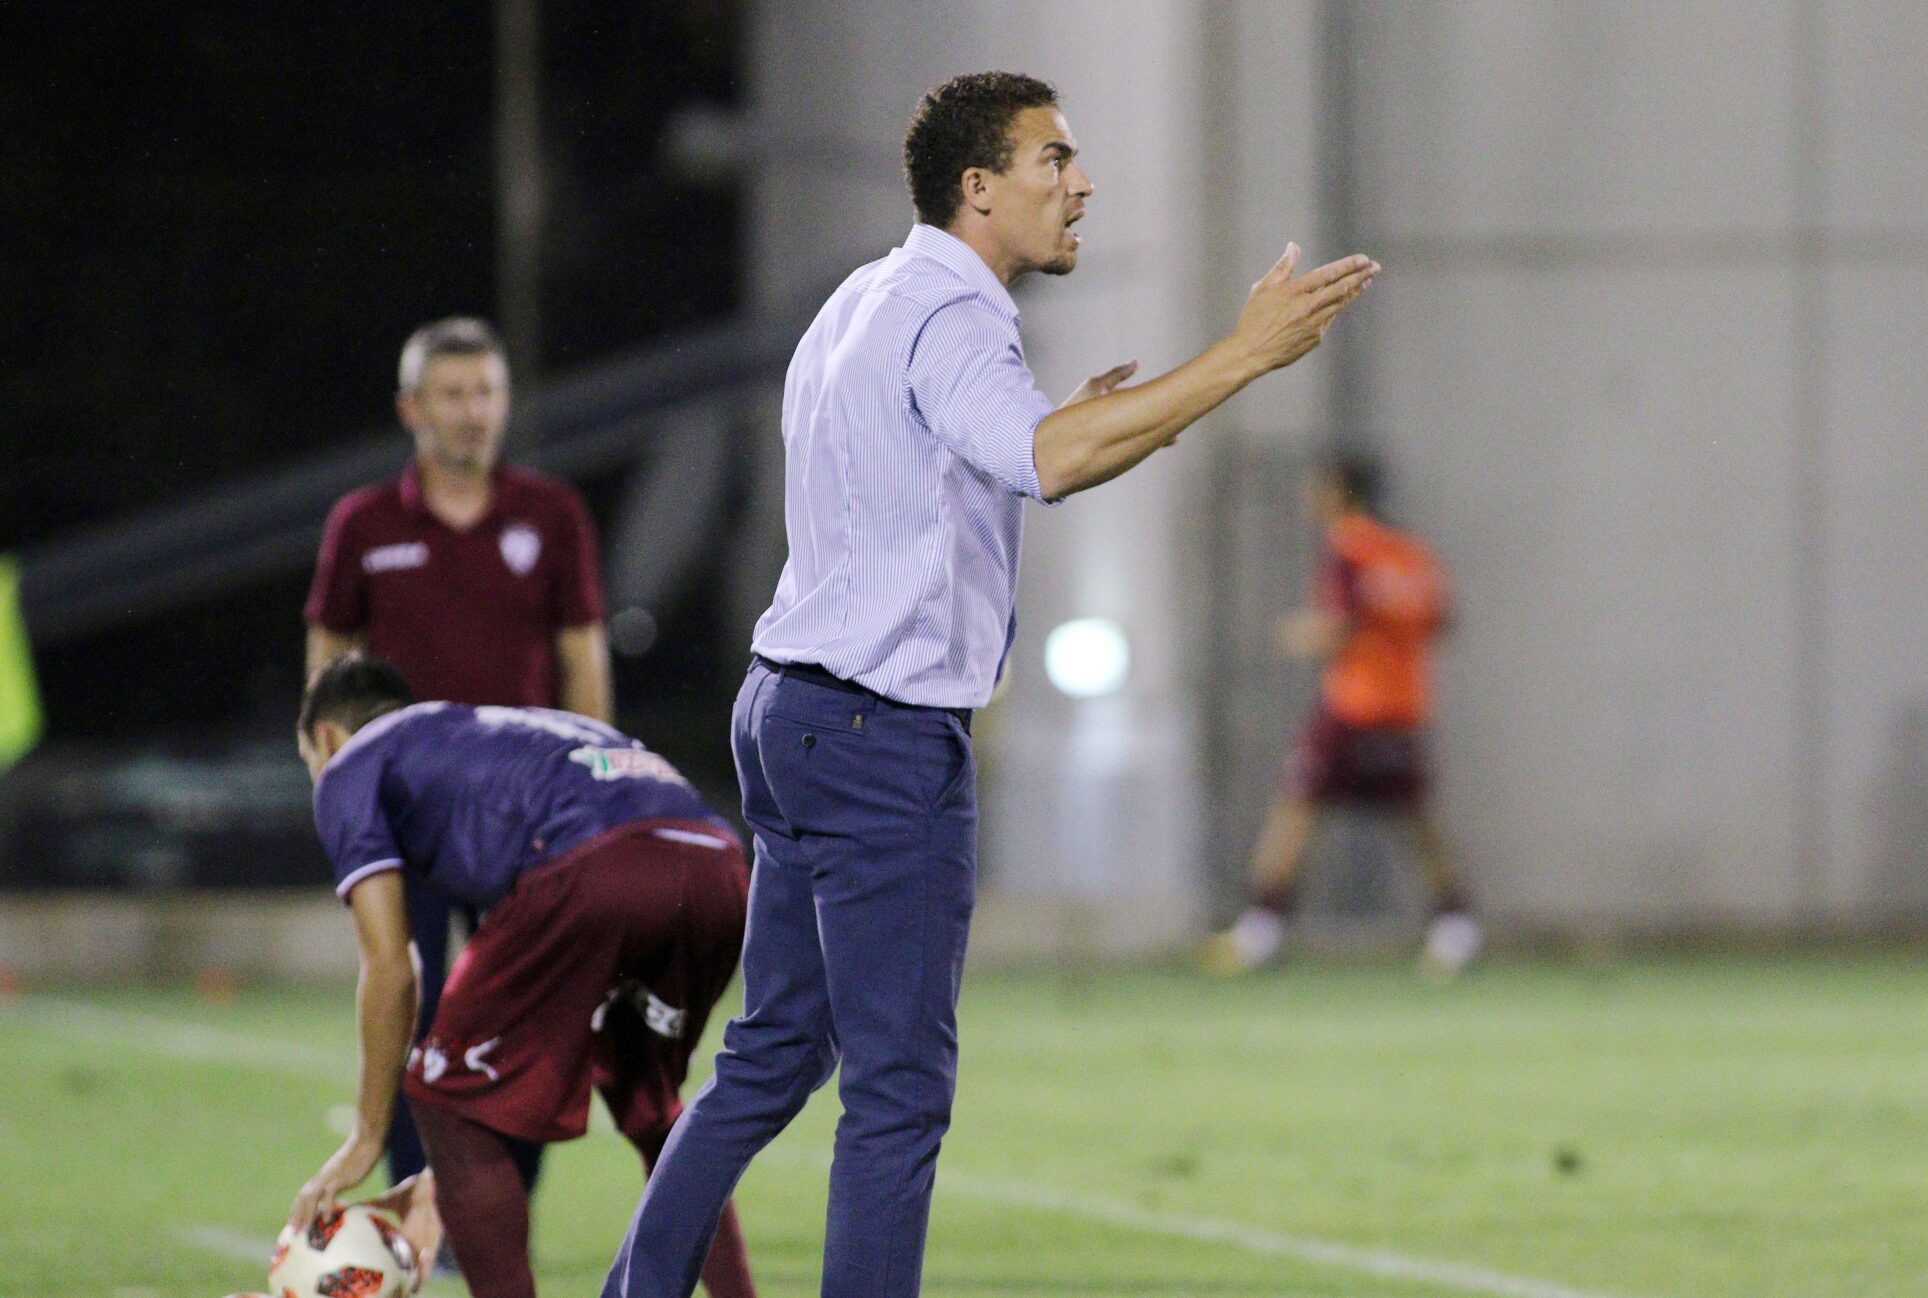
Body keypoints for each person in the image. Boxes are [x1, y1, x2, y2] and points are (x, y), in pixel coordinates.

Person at [604, 71, 1377, 1298]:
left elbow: (944, 467)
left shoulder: (863, 296)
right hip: (878, 730)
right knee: (898, 1090)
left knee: (770, 1056)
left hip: (790, 707)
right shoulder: (957, 314)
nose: (1082, 184)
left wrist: (1088, 426)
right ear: (978, 187)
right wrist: (1245, 353)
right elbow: (1046, 460)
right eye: (1052, 161)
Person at [285, 654, 758, 1298]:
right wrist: (448, 1181)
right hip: (718, 867)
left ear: (326, 738)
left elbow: (393, 968)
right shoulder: (495, 738)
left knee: (439, 1093)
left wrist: (368, 1137)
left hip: (595, 865)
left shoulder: (353, 763)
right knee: (649, 1105)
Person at [304, 316, 613, 1196]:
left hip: (524, 814)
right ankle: (419, 1201)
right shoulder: (364, 522)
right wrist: (334, 786)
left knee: (527, 1013)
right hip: (404, 811)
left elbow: (583, 657)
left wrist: (590, 788)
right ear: (411, 408)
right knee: (410, 1000)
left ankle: (500, 1203)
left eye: (487, 392)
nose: (474, 411)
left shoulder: (550, 514)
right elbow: (328, 662)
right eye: (453, 394)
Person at [1204, 449, 1480, 974]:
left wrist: (1297, 635)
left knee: (1294, 811)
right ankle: (1457, 931)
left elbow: (1339, 627)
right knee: (1419, 822)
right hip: (1403, 707)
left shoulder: (1348, 551)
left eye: (1318, 489)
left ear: (1339, 493)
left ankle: (1258, 935)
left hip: (1352, 708)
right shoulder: (1410, 554)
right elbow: (1442, 620)